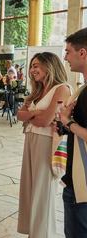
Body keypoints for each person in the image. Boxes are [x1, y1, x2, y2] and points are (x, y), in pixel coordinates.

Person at [16, 52, 70, 238]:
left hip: (47, 142)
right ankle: (33, 231)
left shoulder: (62, 88)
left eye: (36, 65)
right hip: (31, 140)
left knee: (42, 190)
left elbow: (45, 120)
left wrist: (33, 114)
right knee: (29, 188)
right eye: (31, 66)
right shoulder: (37, 92)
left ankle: (43, 234)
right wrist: (36, 113)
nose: (32, 70)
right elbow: (19, 115)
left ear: (50, 65)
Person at [58, 28, 87, 238]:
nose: (65, 57)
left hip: (82, 185)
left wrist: (68, 122)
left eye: (68, 52)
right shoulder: (82, 89)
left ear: (83, 53)